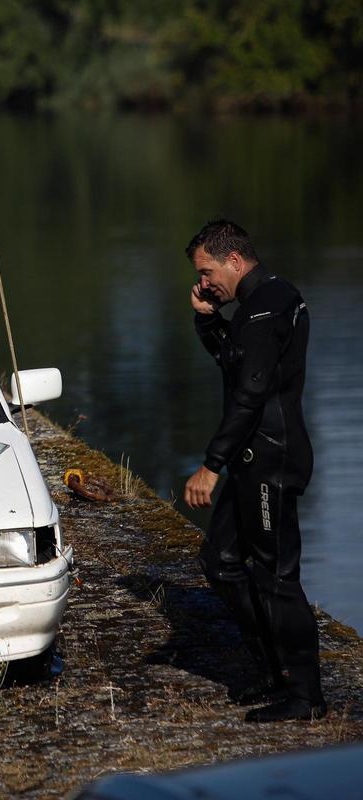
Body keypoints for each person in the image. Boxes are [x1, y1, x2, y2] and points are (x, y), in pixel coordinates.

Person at [183, 218, 324, 722]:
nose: (205, 282)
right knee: (220, 561)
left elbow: (251, 393)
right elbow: (236, 362)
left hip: (270, 461)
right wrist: (207, 320)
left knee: (277, 578)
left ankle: (306, 695)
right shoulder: (259, 306)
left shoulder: (267, 308)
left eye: (208, 271)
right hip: (252, 457)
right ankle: (271, 669)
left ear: (235, 260)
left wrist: (210, 465)